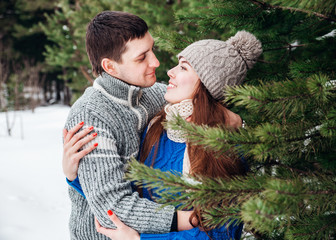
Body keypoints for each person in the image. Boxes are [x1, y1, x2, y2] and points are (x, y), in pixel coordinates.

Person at [63, 30, 263, 240]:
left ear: (207, 85)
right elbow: (123, 196)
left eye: (183, 67)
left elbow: (219, 234)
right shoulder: (157, 127)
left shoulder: (222, 146)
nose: (170, 71)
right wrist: (75, 176)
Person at [63, 11, 197, 240]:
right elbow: (112, 210)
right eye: (141, 57)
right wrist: (188, 219)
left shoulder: (153, 94)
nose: (155, 61)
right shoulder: (91, 116)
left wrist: (234, 120)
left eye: (152, 49)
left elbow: (200, 96)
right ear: (110, 67)